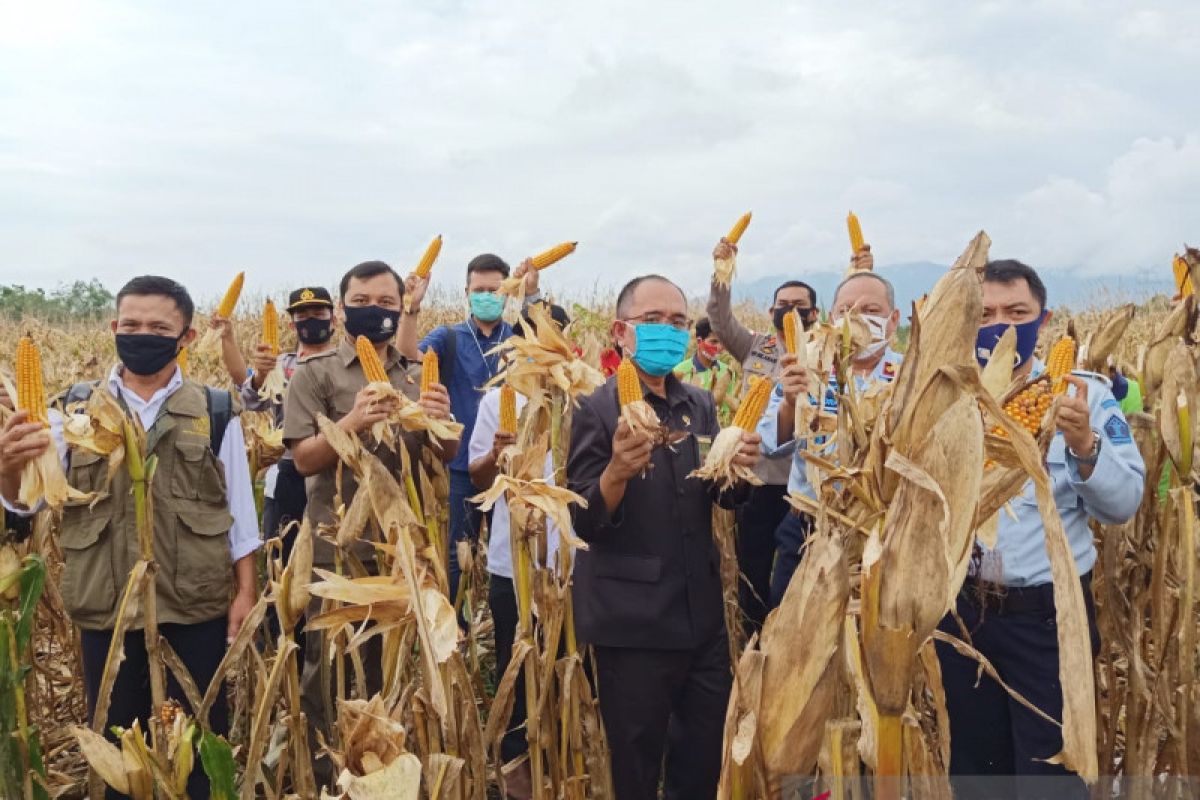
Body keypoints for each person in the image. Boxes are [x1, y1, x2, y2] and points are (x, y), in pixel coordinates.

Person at [0, 275, 260, 798]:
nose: (143, 334)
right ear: (114, 328)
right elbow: (27, 502)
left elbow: (240, 513)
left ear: (186, 337)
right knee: (120, 751)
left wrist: (246, 593)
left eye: (159, 327)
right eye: (132, 324)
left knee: (200, 749)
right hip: (108, 605)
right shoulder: (72, 412)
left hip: (196, 604)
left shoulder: (213, 411)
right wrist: (6, 467)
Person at [935, 259, 1144, 798]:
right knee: (977, 774)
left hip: (1048, 619)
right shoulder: (943, 397)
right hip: (961, 613)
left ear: (1043, 319)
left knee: (1051, 775)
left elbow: (1123, 505)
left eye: (1017, 311)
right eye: (985, 313)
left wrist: (1083, 447)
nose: (1001, 324)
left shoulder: (1087, 396)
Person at [568, 274, 762, 800]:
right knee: (634, 765)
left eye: (678, 321)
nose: (668, 331)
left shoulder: (699, 404)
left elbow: (719, 499)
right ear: (620, 332)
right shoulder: (594, 409)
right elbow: (582, 520)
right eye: (652, 320)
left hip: (700, 618)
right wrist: (615, 474)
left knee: (700, 760)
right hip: (631, 624)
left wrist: (738, 472)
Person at [283, 260, 456, 776]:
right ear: (341, 309)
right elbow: (304, 460)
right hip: (339, 545)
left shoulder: (413, 371)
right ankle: (329, 770)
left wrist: (440, 423)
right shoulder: (314, 376)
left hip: (404, 547)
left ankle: (395, 770)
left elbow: (440, 458)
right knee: (332, 669)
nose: (375, 311)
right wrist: (353, 422)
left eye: (387, 302)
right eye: (362, 301)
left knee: (396, 666)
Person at [467, 307, 573, 800]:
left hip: (572, 561)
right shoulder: (497, 402)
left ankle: (570, 756)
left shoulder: (584, 398)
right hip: (515, 565)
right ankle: (519, 768)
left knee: (570, 661)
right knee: (519, 658)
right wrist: (498, 455)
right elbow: (477, 479)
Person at [399, 254, 543, 603]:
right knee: (456, 552)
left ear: (509, 291)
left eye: (495, 289)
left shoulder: (521, 338)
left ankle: (513, 617)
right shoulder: (449, 338)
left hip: (510, 469)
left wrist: (533, 295)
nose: (487, 296)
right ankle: (454, 620)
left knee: (513, 551)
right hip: (461, 466)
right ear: (466, 293)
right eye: (479, 290)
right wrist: (410, 308)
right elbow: (406, 356)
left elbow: (546, 365)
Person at [758, 271, 903, 606]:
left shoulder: (911, 375)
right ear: (831, 318)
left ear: (893, 320)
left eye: (872, 310)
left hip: (881, 532)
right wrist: (790, 404)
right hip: (809, 526)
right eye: (846, 310)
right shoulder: (806, 366)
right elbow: (770, 444)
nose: (856, 319)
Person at [707, 238, 819, 633]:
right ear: (772, 311)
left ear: (814, 313)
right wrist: (722, 272)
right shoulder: (757, 347)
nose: (790, 311)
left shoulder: (824, 351)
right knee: (753, 565)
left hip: (804, 485)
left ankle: (789, 634)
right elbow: (719, 322)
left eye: (799, 306)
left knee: (797, 570)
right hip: (757, 477)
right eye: (783, 305)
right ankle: (752, 635)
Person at [673, 316, 737, 424]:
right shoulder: (680, 370)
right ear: (699, 341)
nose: (719, 347)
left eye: (722, 342)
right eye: (714, 342)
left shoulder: (728, 372)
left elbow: (728, 410)